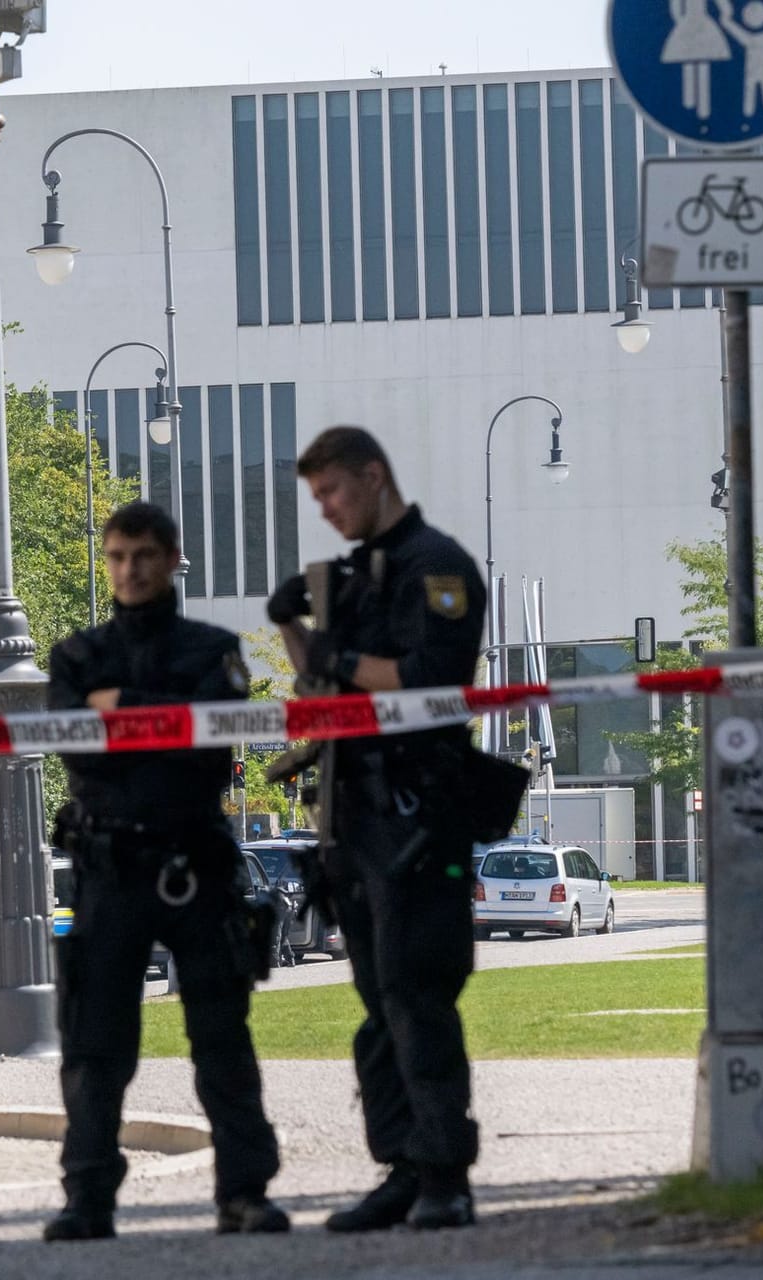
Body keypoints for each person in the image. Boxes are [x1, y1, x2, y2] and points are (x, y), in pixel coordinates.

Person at [44, 500, 287, 1242]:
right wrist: (160, 714)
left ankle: (244, 1193)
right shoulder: (77, 657)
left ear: (172, 558)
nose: (129, 570)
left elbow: (208, 748)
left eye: (144, 555)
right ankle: (88, 1198)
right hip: (108, 868)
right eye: (117, 556)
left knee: (222, 1038)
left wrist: (124, 712)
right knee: (94, 1048)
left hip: (195, 863)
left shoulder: (212, 647)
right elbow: (78, 750)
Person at [268, 426, 487, 1231]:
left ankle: (444, 1178)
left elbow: (430, 678)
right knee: (377, 1005)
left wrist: (332, 648)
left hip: (419, 814)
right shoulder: (353, 578)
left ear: (373, 476)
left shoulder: (438, 566)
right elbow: (319, 682)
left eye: (332, 492)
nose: (324, 510)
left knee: (417, 996)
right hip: (352, 815)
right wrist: (294, 625)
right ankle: (402, 1164)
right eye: (316, 497)